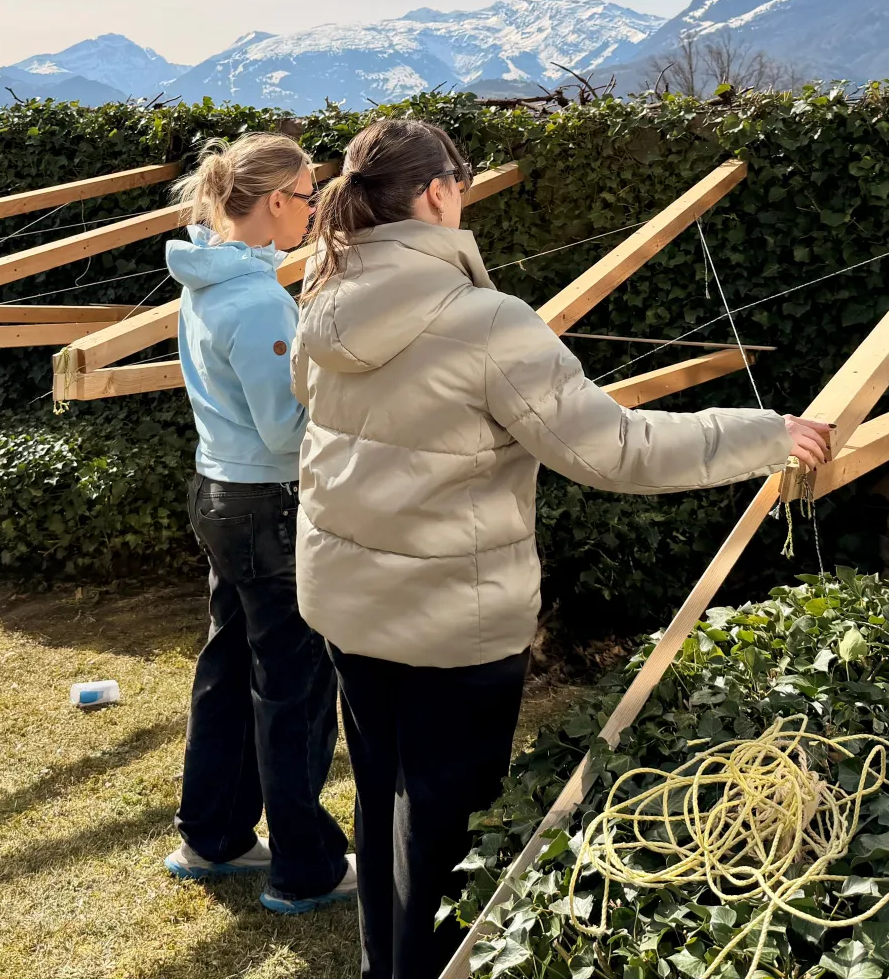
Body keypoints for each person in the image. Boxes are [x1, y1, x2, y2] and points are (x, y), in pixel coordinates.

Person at [290, 117, 832, 978]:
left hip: (344, 601)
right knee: (446, 827)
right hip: (450, 628)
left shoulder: (322, 297)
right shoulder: (484, 320)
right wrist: (766, 433)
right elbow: (613, 451)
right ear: (438, 193)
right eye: (458, 182)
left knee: (385, 793)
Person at [161, 132, 355, 915]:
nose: (314, 213)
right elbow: (285, 432)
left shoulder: (207, 279)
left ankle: (212, 838)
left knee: (226, 672)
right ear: (276, 202)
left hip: (219, 494)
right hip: (268, 507)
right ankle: (305, 868)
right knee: (295, 686)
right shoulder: (256, 300)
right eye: (310, 197)